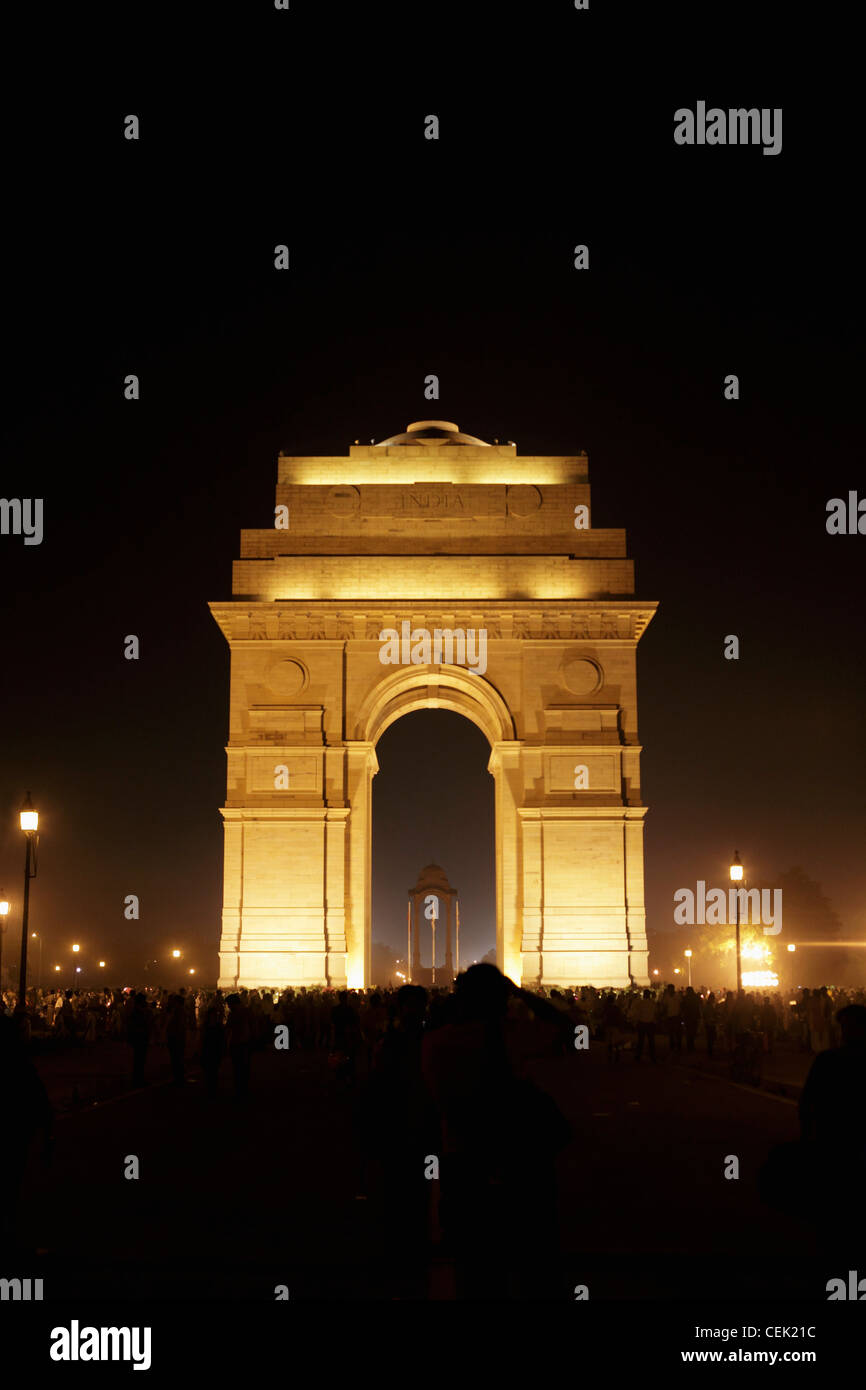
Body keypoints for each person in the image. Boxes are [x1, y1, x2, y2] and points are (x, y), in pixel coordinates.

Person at [225, 993, 252, 1099]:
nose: (228, 1006)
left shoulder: (234, 1014)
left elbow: (228, 1029)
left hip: (237, 1043)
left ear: (233, 1003)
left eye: (228, 1004)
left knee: (237, 1069)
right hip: (246, 1042)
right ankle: (244, 1090)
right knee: (244, 1068)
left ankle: (239, 1091)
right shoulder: (247, 1011)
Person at [127, 992, 152, 1088]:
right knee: (139, 1059)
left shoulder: (137, 1011)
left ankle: (137, 1078)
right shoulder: (138, 1012)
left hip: (139, 1038)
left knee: (139, 1059)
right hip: (140, 1038)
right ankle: (138, 1079)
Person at [165, 993, 187, 1085]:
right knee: (177, 1058)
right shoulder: (179, 1010)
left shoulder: (178, 1011)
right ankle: (178, 1077)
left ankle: (178, 1078)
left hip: (176, 1037)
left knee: (176, 1058)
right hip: (178, 1037)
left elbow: (178, 1025)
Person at [633, 988, 657, 1063]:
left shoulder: (640, 1003)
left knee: (640, 1041)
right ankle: (653, 1057)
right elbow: (655, 1013)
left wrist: (635, 1023)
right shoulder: (653, 1003)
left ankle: (638, 1056)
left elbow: (637, 1014)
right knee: (651, 1041)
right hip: (650, 1024)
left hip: (642, 1023)